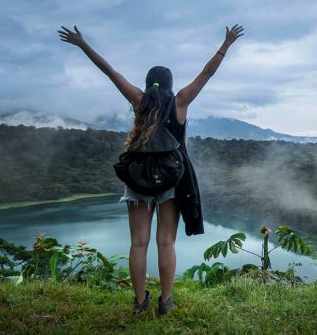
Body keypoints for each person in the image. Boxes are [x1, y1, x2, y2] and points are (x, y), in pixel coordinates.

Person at [58, 23, 244, 315]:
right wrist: (227, 43)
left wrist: (82, 44)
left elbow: (110, 72)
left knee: (138, 244)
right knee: (166, 242)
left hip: (137, 180)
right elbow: (207, 73)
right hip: (171, 180)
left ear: (148, 84)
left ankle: (139, 302)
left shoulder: (139, 100)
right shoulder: (180, 101)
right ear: (170, 83)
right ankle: (166, 301)